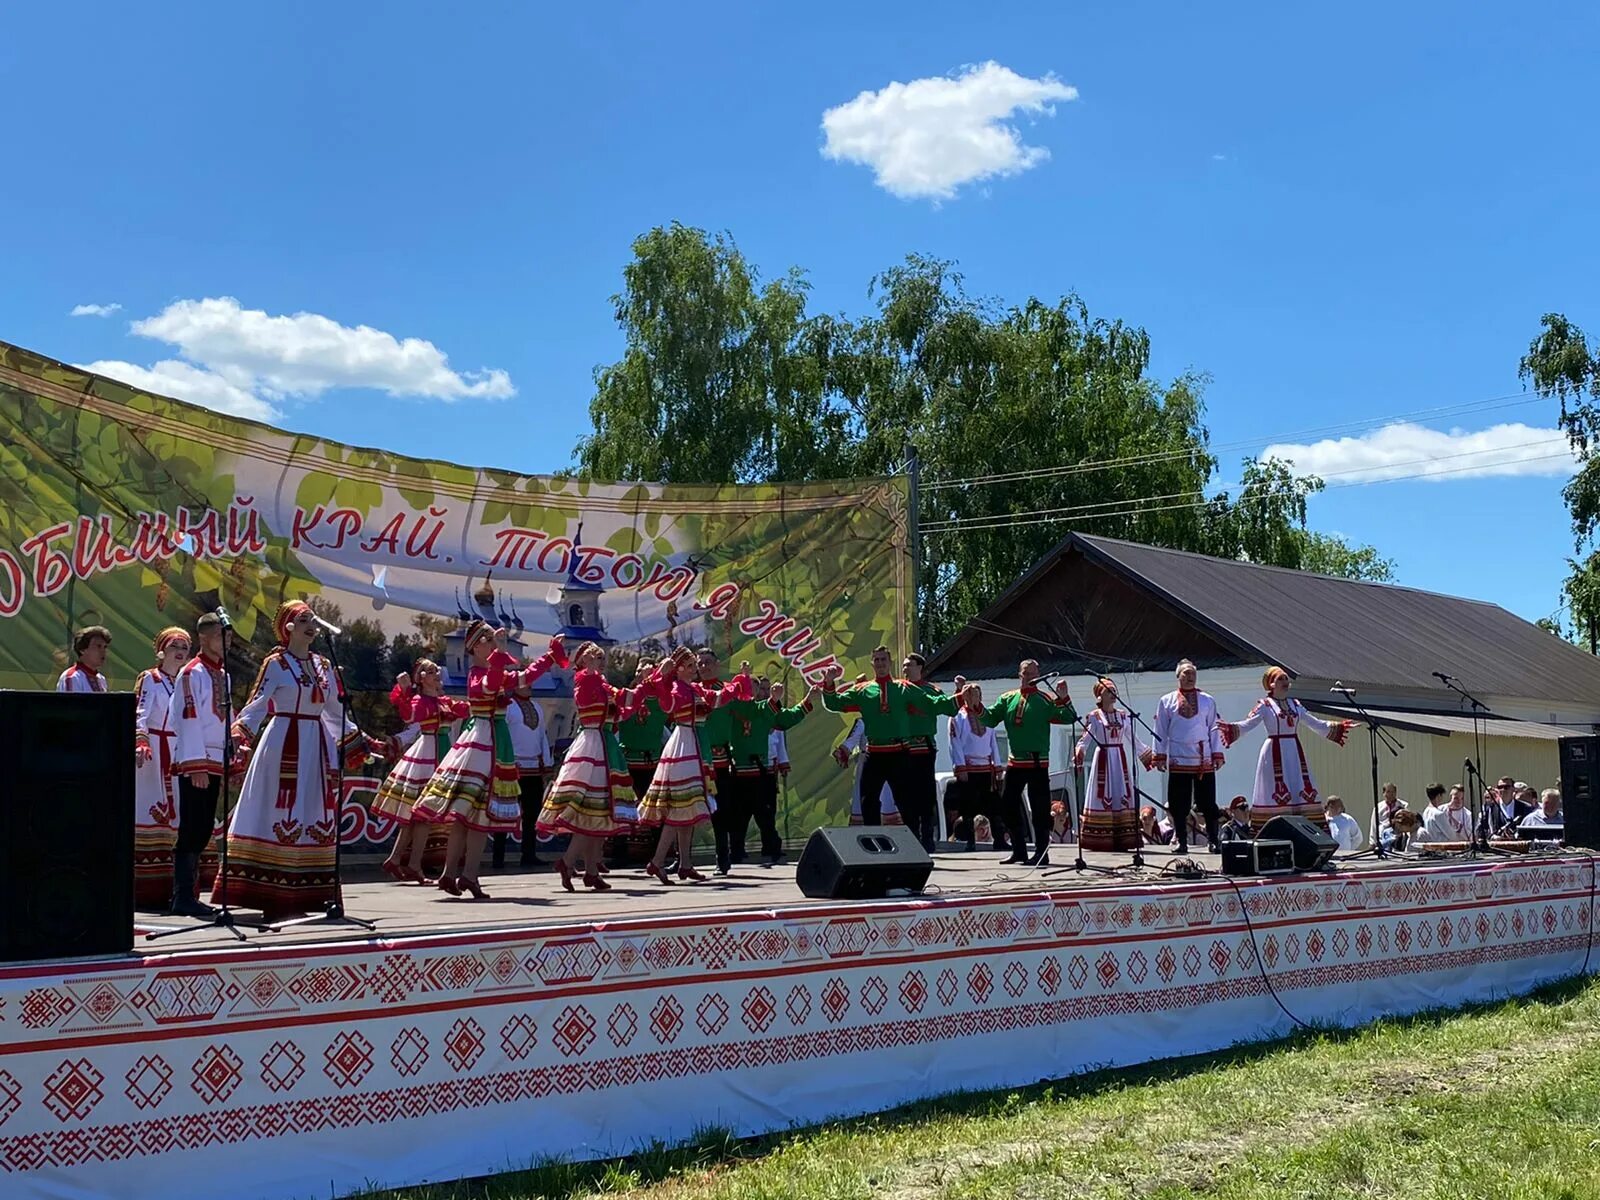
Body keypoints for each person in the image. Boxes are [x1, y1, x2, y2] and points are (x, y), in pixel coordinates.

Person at [212, 602, 390, 920]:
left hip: (315, 743)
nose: (311, 625)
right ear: (288, 628)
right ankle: (266, 891)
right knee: (279, 809)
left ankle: (310, 894)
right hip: (283, 741)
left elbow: (335, 713)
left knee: (311, 810)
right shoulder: (276, 663)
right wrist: (239, 735)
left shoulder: (323, 665)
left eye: (313, 620)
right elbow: (257, 704)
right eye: (303, 619)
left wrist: (360, 741)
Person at [412, 623, 565, 899]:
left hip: (496, 740)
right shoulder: (476, 674)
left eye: (492, 639)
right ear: (473, 648)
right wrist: (501, 653)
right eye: (486, 639)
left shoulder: (493, 670)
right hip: (482, 741)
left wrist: (550, 657)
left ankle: (465, 874)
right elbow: (490, 684)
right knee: (468, 813)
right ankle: (456, 873)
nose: (492, 642)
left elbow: (523, 678)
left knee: (477, 815)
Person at [637, 648, 749, 884]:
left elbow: (718, 699)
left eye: (693, 665)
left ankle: (685, 864)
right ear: (678, 669)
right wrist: (662, 675)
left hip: (695, 745)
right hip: (684, 745)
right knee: (679, 806)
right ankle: (657, 861)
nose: (694, 669)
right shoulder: (678, 688)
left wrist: (740, 681)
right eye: (688, 666)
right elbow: (667, 704)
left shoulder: (695, 688)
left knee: (688, 808)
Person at [537, 641, 639, 892]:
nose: (600, 660)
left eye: (602, 656)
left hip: (606, 746)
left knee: (601, 811)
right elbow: (586, 703)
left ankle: (591, 870)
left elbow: (623, 708)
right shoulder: (583, 679)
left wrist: (648, 684)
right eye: (595, 656)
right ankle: (569, 861)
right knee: (589, 808)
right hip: (591, 745)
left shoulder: (602, 684)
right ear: (582, 661)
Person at [373, 660, 470, 883]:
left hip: (440, 753)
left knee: (416, 817)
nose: (436, 674)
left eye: (437, 671)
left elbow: (466, 709)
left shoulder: (443, 701)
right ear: (421, 679)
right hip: (427, 755)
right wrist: (405, 691)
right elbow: (409, 716)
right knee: (422, 816)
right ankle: (413, 865)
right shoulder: (421, 700)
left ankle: (396, 859)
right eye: (430, 671)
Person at [1222, 667, 1352, 833]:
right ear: (1271, 684)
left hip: (1294, 751)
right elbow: (1248, 723)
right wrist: (1229, 729)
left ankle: (1305, 833)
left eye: (1286, 679)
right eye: (1280, 679)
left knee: (1299, 788)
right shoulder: (1265, 705)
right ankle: (1273, 833)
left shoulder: (1295, 704)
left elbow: (1314, 723)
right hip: (1273, 752)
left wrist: (1338, 728)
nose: (1285, 682)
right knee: (1277, 791)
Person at [980, 660, 1077, 865]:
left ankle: (1042, 853)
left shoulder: (1044, 700)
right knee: (1007, 806)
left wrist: (1064, 697)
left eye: (1033, 673)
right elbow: (989, 719)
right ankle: (1019, 851)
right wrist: (975, 705)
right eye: (1026, 673)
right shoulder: (1007, 698)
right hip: (1016, 762)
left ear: (1039, 675)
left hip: (1038, 763)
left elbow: (1069, 718)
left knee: (1040, 810)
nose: (1030, 677)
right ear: (1019, 674)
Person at [169, 612, 233, 917]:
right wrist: (194, 764)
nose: (227, 641)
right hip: (197, 760)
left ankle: (188, 894)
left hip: (215, 758)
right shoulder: (191, 673)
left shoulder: (224, 675)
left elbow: (226, 718)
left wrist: (233, 750)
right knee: (193, 826)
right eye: (221, 636)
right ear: (204, 638)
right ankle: (182, 895)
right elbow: (186, 717)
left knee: (205, 826)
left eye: (229, 636)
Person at [723, 677, 814, 869]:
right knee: (736, 816)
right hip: (737, 771)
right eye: (744, 687)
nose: (749, 691)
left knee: (766, 815)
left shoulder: (765, 710)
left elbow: (787, 718)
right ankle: (734, 852)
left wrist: (807, 700)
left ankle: (772, 850)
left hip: (761, 772)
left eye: (753, 688)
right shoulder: (729, 708)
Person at [820, 647, 915, 825]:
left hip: (898, 752)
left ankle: (914, 840)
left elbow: (928, 703)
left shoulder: (903, 688)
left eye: (883, 660)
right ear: (872, 663)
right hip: (874, 753)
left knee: (904, 800)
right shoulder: (863, 693)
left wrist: (956, 699)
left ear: (890, 662)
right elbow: (834, 703)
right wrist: (829, 683)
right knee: (868, 799)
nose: (880, 663)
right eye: (876, 660)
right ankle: (873, 839)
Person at [132, 627, 189, 910]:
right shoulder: (150, 679)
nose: (179, 651)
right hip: (153, 752)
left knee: (178, 816)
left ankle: (175, 887)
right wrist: (141, 741)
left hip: (177, 753)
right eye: (174, 646)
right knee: (148, 809)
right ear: (161, 650)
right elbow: (140, 712)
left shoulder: (186, 681)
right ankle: (143, 888)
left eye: (185, 647)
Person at [1074, 678, 1155, 857]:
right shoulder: (1094, 717)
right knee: (1102, 795)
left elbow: (1133, 738)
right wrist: (1079, 752)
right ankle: (1099, 838)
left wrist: (1147, 756)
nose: (1112, 695)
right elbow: (1085, 739)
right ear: (1099, 696)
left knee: (1121, 793)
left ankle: (1122, 838)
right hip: (1102, 757)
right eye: (1107, 692)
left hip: (1119, 758)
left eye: (1113, 691)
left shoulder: (1124, 715)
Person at [1152, 660, 1227, 854]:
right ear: (1178, 677)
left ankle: (1213, 840)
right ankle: (1181, 841)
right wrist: (1159, 755)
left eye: (1193, 673)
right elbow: (1160, 729)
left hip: (1203, 757)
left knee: (1208, 802)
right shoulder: (1166, 700)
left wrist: (1217, 753)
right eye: (1185, 673)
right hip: (1178, 757)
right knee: (1178, 803)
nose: (1190, 676)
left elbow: (1214, 726)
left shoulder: (1207, 700)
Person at [901, 653, 961, 852]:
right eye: (904, 666)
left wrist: (959, 692)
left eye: (909, 665)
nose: (905, 669)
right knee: (906, 797)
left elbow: (948, 707)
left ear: (920, 667)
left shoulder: (931, 690)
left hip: (924, 748)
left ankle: (927, 838)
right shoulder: (899, 689)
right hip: (902, 748)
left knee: (925, 796)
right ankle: (911, 838)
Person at [693, 648, 745, 867]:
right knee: (683, 806)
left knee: (721, 811)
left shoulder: (727, 691)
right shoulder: (690, 690)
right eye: (700, 663)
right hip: (692, 756)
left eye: (708, 662)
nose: (704, 667)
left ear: (717, 664)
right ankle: (683, 859)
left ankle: (723, 857)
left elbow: (747, 710)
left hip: (719, 759)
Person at [493, 694, 553, 869]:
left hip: (533, 766)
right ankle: (498, 857)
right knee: (505, 811)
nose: (527, 685)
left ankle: (529, 854)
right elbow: (501, 734)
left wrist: (546, 761)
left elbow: (542, 734)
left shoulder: (537, 706)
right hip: (512, 766)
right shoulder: (508, 706)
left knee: (532, 813)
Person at [950, 683, 1007, 851]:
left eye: (976, 695)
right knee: (968, 809)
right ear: (964, 697)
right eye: (970, 695)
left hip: (986, 769)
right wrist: (960, 767)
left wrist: (997, 766)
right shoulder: (957, 717)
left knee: (994, 807)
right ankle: (970, 843)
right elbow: (955, 743)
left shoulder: (987, 716)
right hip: (969, 769)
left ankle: (1000, 840)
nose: (974, 698)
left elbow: (993, 743)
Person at [837, 718, 900, 825]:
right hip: (869, 761)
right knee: (869, 800)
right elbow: (852, 739)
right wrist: (844, 750)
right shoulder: (865, 718)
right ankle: (871, 832)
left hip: (893, 760)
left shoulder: (897, 716)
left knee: (891, 800)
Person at [1478, 776, 1535, 840]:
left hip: (1518, 847)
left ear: (1513, 789)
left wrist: (1517, 837)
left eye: (1506, 787)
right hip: (1495, 847)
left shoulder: (1525, 808)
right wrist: (1493, 837)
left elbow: (1531, 830)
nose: (1503, 790)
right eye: (1500, 787)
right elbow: (1480, 831)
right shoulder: (1489, 808)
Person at [58, 625, 111, 692]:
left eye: (105, 647)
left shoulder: (101, 679)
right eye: (98, 646)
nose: (103, 651)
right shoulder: (73, 677)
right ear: (82, 649)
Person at [1370, 783, 1412, 851]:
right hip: (1383, 840)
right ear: (1384, 793)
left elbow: (1408, 822)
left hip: (1398, 840)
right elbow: (1374, 826)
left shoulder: (1403, 805)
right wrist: (1373, 842)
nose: (1391, 794)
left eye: (1393, 792)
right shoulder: (1378, 807)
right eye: (1388, 792)